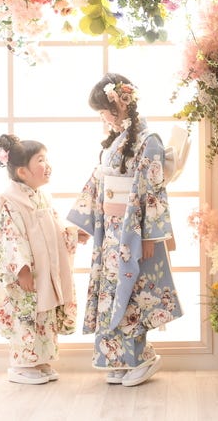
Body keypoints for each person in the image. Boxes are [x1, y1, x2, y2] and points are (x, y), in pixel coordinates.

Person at [67, 73, 183, 387]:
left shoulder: (149, 140)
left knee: (132, 293)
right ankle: (117, 359)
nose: (103, 118)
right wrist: (86, 225)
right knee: (110, 291)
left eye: (104, 111)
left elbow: (152, 190)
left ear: (120, 103)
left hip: (133, 230)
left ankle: (140, 358)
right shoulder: (117, 140)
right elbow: (99, 181)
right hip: (110, 229)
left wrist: (149, 235)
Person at [0, 134, 77, 385]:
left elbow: (54, 226)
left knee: (45, 313)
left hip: (45, 271)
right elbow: (10, 238)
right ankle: (21, 364)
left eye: (46, 159)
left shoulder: (41, 196)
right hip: (28, 274)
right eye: (40, 160)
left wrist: (70, 233)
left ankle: (40, 360)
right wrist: (22, 269)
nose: (47, 165)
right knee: (26, 315)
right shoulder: (11, 202)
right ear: (22, 172)